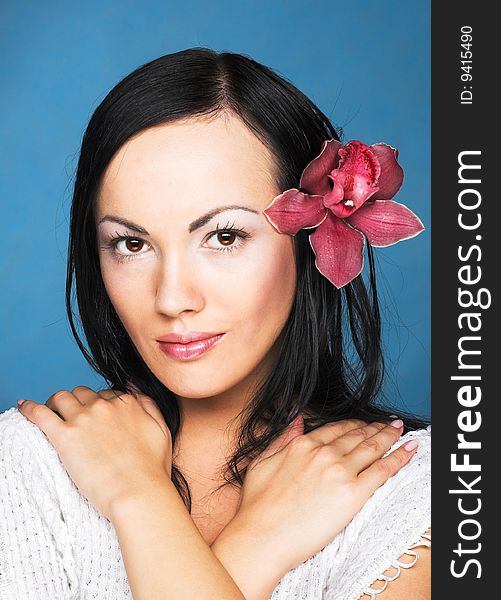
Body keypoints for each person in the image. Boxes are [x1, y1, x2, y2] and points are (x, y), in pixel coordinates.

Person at [0, 47, 431, 599]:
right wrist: (250, 539)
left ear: (308, 242)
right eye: (131, 244)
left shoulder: (417, 492)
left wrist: (141, 500)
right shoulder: (28, 466)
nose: (173, 297)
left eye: (224, 237)